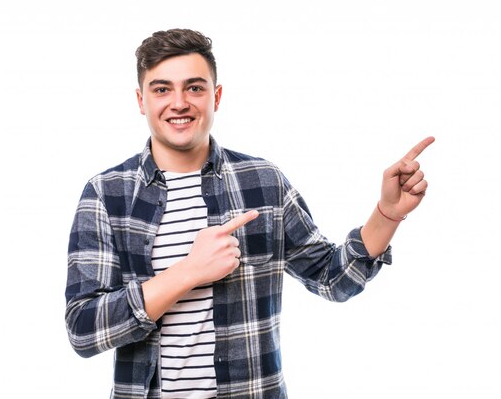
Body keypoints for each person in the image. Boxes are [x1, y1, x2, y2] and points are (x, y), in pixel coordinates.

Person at [65, 28, 433, 399]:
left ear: (216, 96)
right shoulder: (106, 194)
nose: (179, 103)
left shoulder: (263, 183)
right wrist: (189, 271)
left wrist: (387, 214)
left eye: (194, 88)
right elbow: (83, 330)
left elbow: (332, 280)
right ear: (141, 100)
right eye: (162, 89)